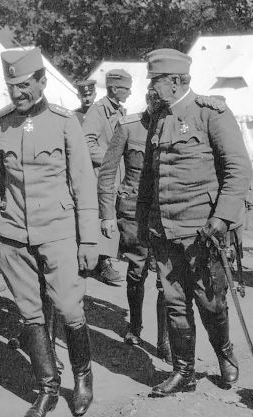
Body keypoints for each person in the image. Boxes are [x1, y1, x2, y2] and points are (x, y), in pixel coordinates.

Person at [0, 48, 99, 417]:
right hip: (14, 236)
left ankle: (82, 377)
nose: (18, 94)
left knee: (68, 308)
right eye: (12, 87)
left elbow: (83, 183)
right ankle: (47, 389)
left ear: (42, 82)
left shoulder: (65, 123)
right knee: (31, 315)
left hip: (59, 234)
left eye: (25, 85)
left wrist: (90, 240)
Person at [137, 49, 252, 396]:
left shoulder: (210, 113)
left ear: (174, 81)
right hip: (164, 232)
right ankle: (183, 372)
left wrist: (221, 218)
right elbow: (148, 176)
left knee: (211, 302)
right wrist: (144, 223)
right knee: (174, 305)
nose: (151, 88)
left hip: (203, 233)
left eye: (155, 81)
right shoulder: (157, 117)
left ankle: (225, 354)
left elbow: (238, 169)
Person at [97, 91, 171, 361]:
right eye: (155, 104)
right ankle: (135, 325)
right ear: (148, 101)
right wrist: (106, 214)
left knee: (166, 277)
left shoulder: (176, 125)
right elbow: (107, 172)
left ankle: (165, 340)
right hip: (133, 212)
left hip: (166, 213)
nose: (158, 109)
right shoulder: (128, 127)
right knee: (137, 270)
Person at [83, 69, 133, 286]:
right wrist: (110, 158)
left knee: (112, 212)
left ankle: (106, 258)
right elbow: (86, 143)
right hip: (102, 175)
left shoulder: (120, 111)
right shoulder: (97, 111)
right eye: (126, 89)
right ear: (114, 89)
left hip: (117, 174)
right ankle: (102, 264)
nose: (129, 93)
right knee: (104, 214)